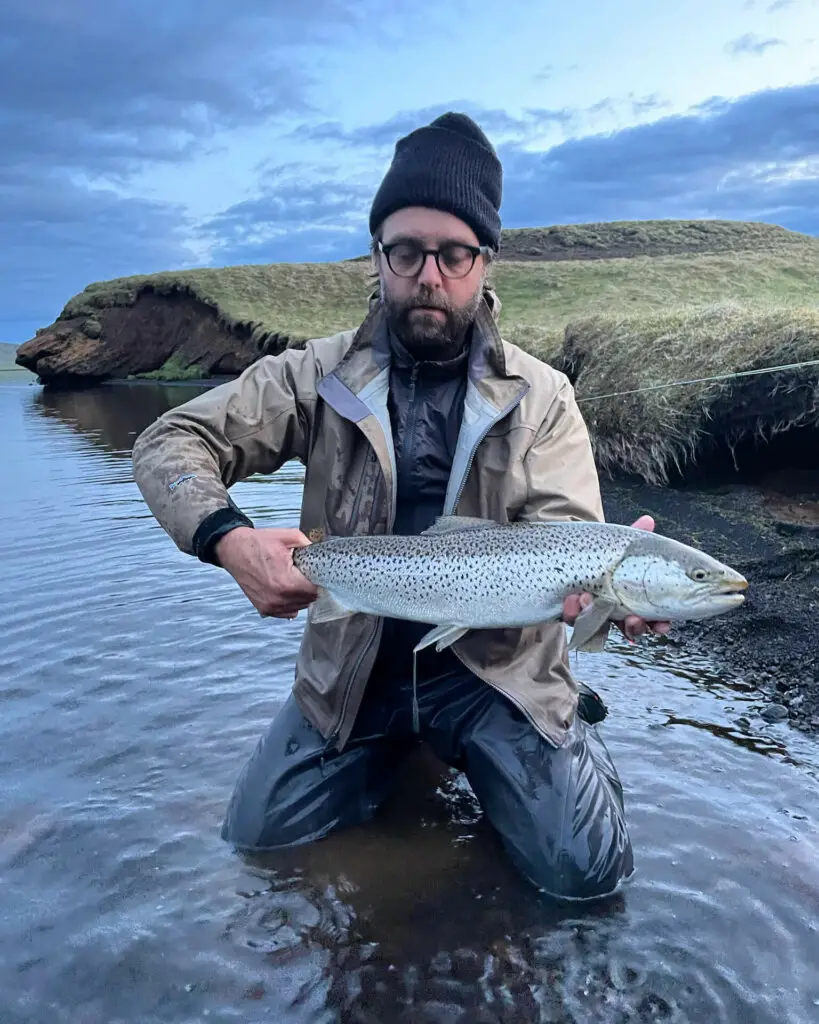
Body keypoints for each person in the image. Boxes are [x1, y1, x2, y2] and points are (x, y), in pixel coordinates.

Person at [131, 111, 669, 901]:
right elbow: (169, 442)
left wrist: (603, 598)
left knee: (584, 881)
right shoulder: (312, 375)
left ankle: (559, 741)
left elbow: (568, 541)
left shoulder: (544, 395)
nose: (429, 275)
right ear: (378, 255)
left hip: (495, 676)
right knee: (257, 853)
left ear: (484, 261)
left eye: (453, 253)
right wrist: (226, 537)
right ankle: (398, 756)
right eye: (406, 250)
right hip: (353, 671)